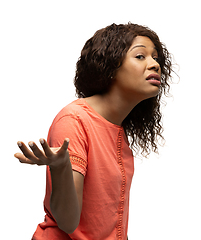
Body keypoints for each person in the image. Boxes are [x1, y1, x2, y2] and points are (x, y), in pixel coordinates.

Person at [14, 22, 174, 240]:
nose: (154, 64)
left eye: (155, 57)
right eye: (140, 56)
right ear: (111, 65)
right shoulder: (74, 120)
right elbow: (68, 223)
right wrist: (61, 166)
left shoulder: (118, 128)